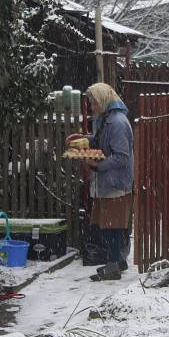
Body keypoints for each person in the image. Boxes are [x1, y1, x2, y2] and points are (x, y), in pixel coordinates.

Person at [67, 83, 134, 281]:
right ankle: (118, 262)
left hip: (116, 184)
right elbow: (99, 141)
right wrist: (82, 139)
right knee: (110, 224)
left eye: (94, 102)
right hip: (109, 182)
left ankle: (113, 266)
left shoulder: (118, 123)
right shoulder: (106, 119)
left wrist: (97, 165)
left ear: (103, 100)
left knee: (112, 226)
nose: (92, 106)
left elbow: (121, 157)